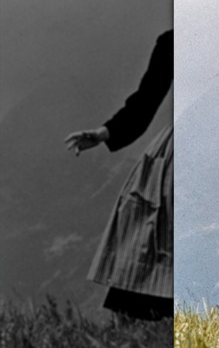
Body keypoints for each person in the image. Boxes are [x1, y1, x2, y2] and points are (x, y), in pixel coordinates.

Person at [64, 30, 173, 320]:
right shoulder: (172, 42)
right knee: (151, 228)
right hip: (178, 150)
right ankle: (145, 316)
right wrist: (104, 133)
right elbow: (147, 98)